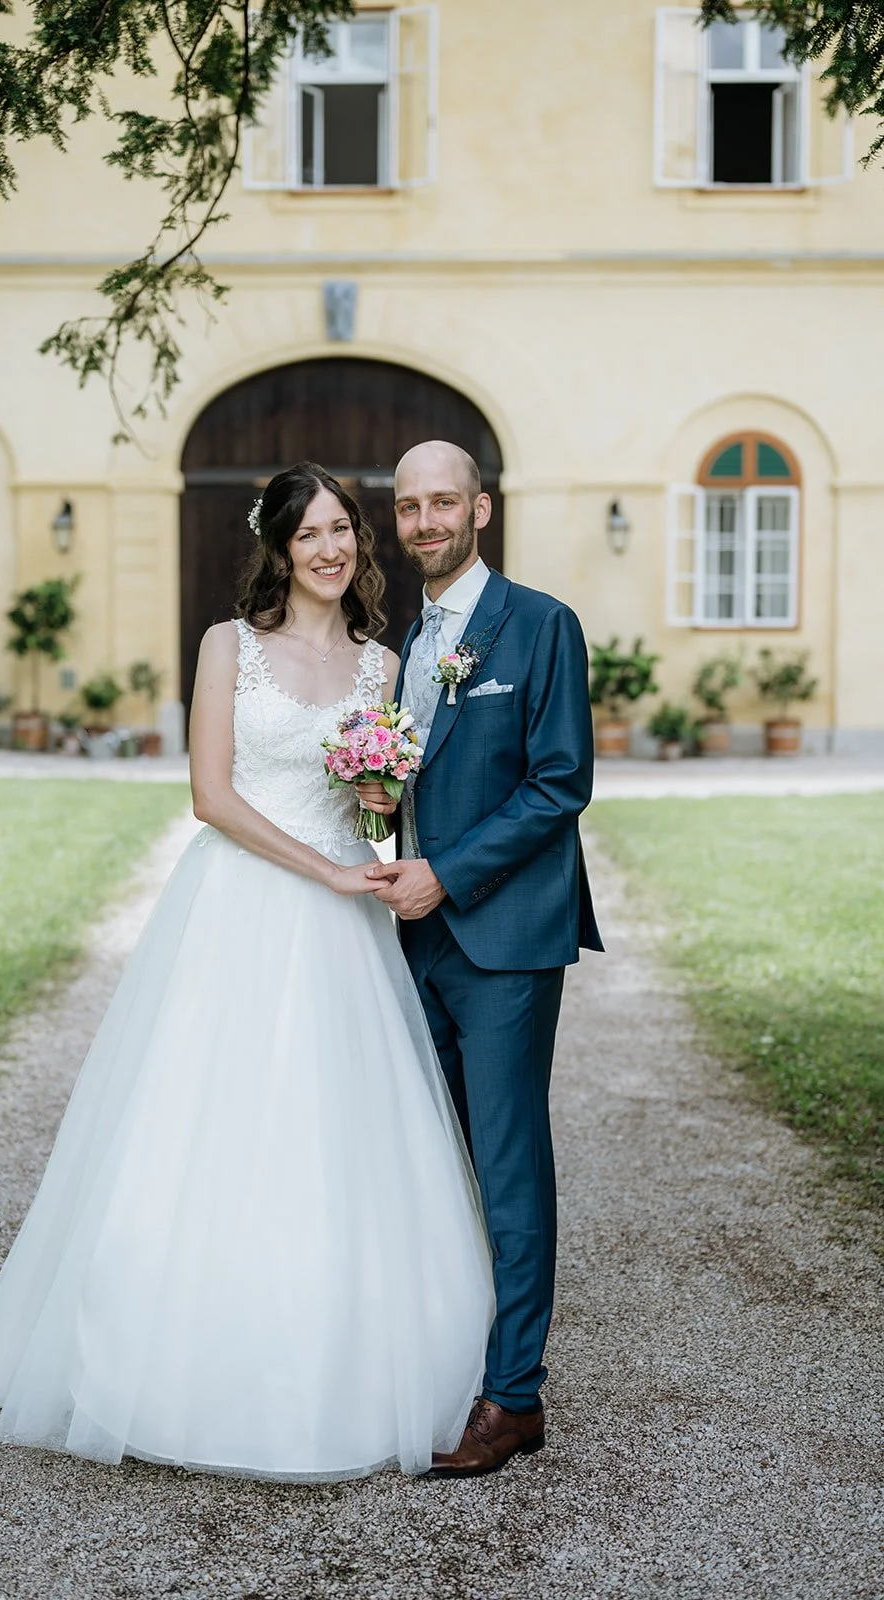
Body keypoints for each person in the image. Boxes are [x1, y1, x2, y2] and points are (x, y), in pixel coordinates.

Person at [0, 462, 494, 1482]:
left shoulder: (379, 663)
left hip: (344, 930)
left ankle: (345, 1347)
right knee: (206, 1118)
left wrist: (375, 838)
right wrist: (325, 867)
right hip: (240, 906)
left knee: (337, 1126)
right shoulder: (228, 647)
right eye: (309, 533)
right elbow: (210, 796)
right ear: (279, 546)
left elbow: (385, 793)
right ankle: (168, 1351)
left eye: (343, 531)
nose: (330, 548)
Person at [359, 439, 603, 1478]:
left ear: (481, 509)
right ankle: (442, 1356)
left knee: (505, 1168)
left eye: (441, 503)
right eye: (408, 507)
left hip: (500, 942)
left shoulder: (540, 625)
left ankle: (513, 1399)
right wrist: (375, 820)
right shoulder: (401, 641)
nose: (423, 522)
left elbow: (557, 786)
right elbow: (407, 781)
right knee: (422, 1165)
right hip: (406, 939)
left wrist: (443, 876)